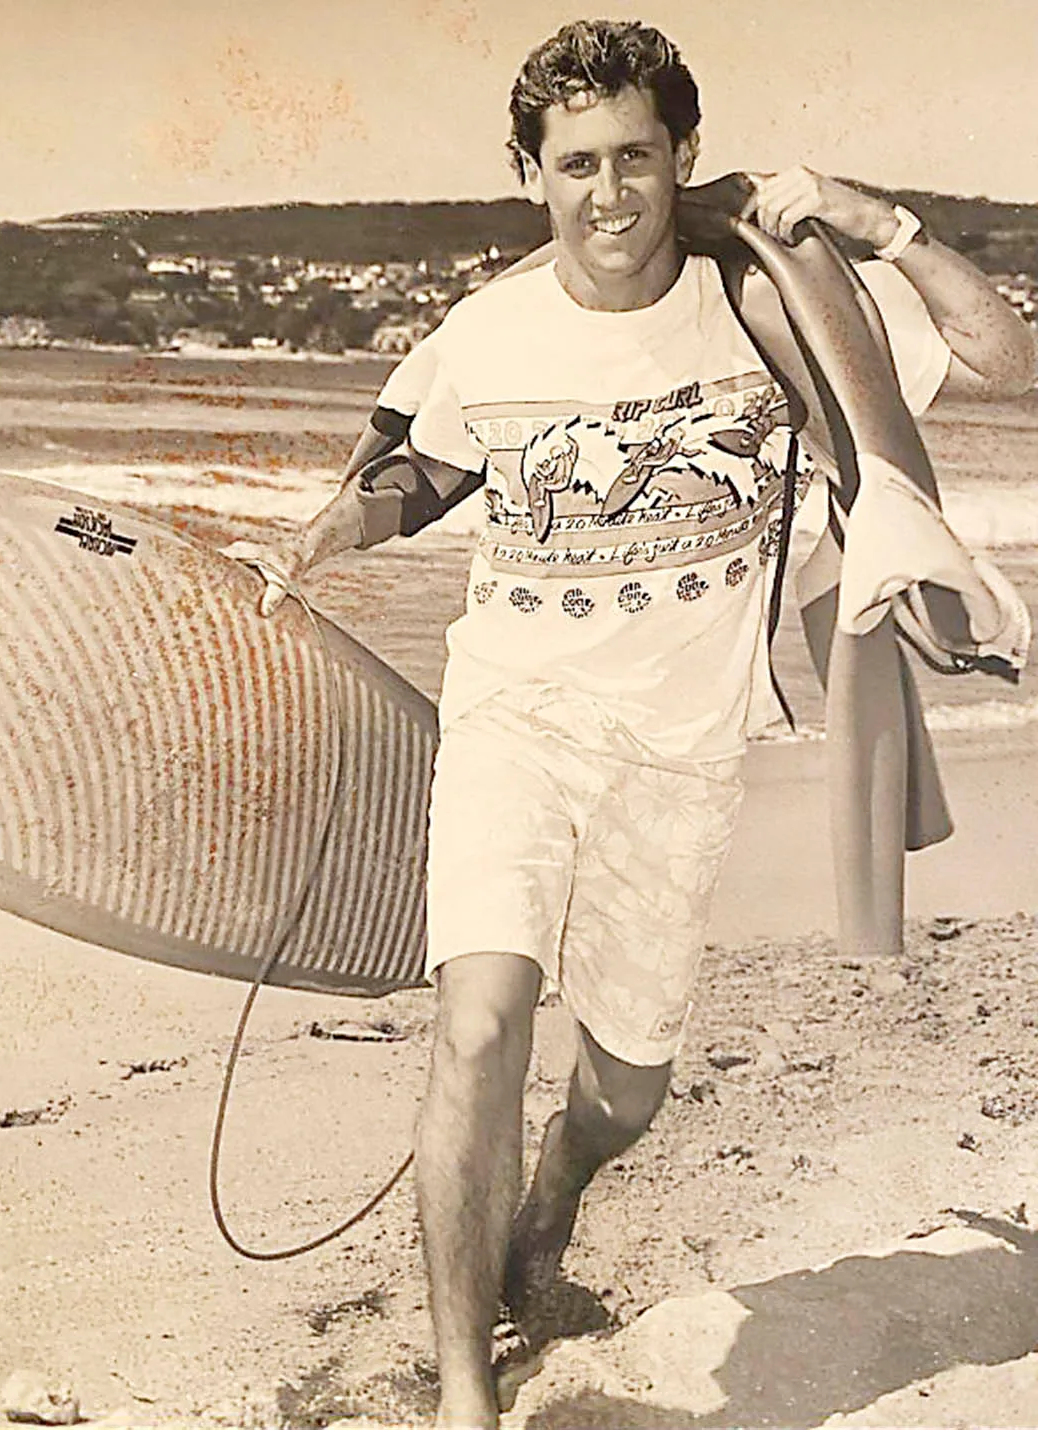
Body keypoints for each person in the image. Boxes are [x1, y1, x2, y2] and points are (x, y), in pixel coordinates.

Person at [256, 21, 1034, 1429]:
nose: (606, 195)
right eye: (573, 166)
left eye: (633, 158)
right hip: (516, 719)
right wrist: (324, 531)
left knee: (622, 1092)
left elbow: (1002, 353)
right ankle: (465, 1388)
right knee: (480, 1026)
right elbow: (420, 472)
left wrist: (884, 221)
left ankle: (552, 1192)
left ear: (680, 157)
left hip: (681, 756)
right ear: (529, 175)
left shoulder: (771, 300)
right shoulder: (486, 332)